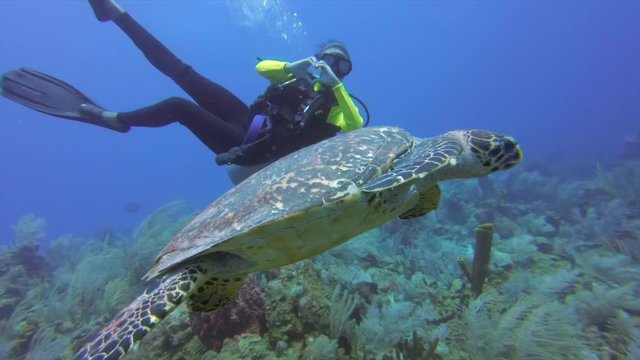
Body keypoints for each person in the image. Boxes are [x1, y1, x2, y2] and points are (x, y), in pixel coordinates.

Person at [0, 0, 363, 184]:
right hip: (247, 118)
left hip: (252, 149)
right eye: (327, 59)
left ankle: (114, 120)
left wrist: (338, 87)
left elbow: (356, 124)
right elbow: (261, 68)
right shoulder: (296, 78)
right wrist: (291, 66)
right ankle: (117, 13)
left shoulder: (336, 104)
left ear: (345, 74)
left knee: (178, 106)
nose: (332, 67)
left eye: (341, 65)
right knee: (185, 73)